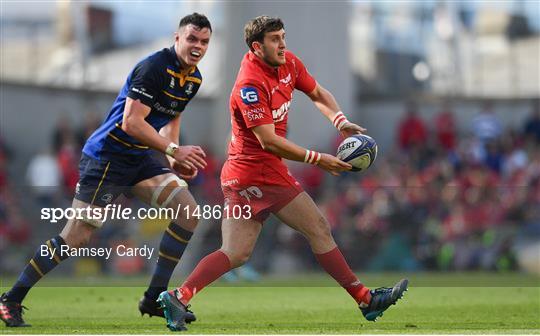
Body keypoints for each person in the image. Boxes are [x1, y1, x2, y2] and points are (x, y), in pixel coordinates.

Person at [157, 16, 408, 332]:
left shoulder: (288, 63)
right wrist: (319, 160)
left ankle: (179, 296)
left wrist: (340, 120)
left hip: (240, 174)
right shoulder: (249, 84)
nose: (283, 44)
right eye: (275, 39)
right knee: (318, 227)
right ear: (257, 46)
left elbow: (318, 93)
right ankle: (365, 299)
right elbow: (268, 140)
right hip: (258, 172)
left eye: (283, 36)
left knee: (235, 252)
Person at [0, 13, 212, 327]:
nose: (198, 46)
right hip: (107, 158)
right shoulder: (154, 67)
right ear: (177, 38)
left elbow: (171, 119)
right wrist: (172, 150)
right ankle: (11, 299)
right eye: (192, 39)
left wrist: (174, 158)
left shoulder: (193, 79)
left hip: (138, 159)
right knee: (76, 236)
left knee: (187, 212)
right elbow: (131, 122)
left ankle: (154, 299)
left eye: (204, 41)